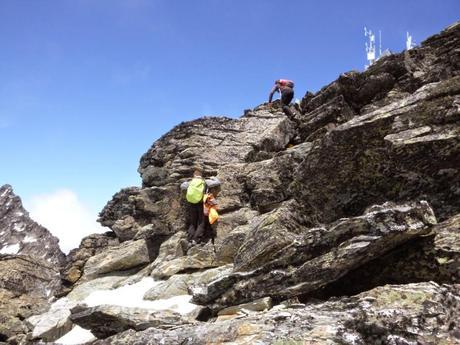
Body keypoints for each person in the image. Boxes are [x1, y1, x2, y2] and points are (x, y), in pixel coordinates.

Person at [180, 169, 221, 245]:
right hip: (201, 204)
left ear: (194, 175)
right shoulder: (205, 181)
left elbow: (182, 186)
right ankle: (196, 240)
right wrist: (213, 178)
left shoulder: (190, 182)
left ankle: (189, 239)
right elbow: (217, 182)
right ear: (201, 175)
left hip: (192, 204)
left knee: (193, 223)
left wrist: (187, 180)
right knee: (201, 222)